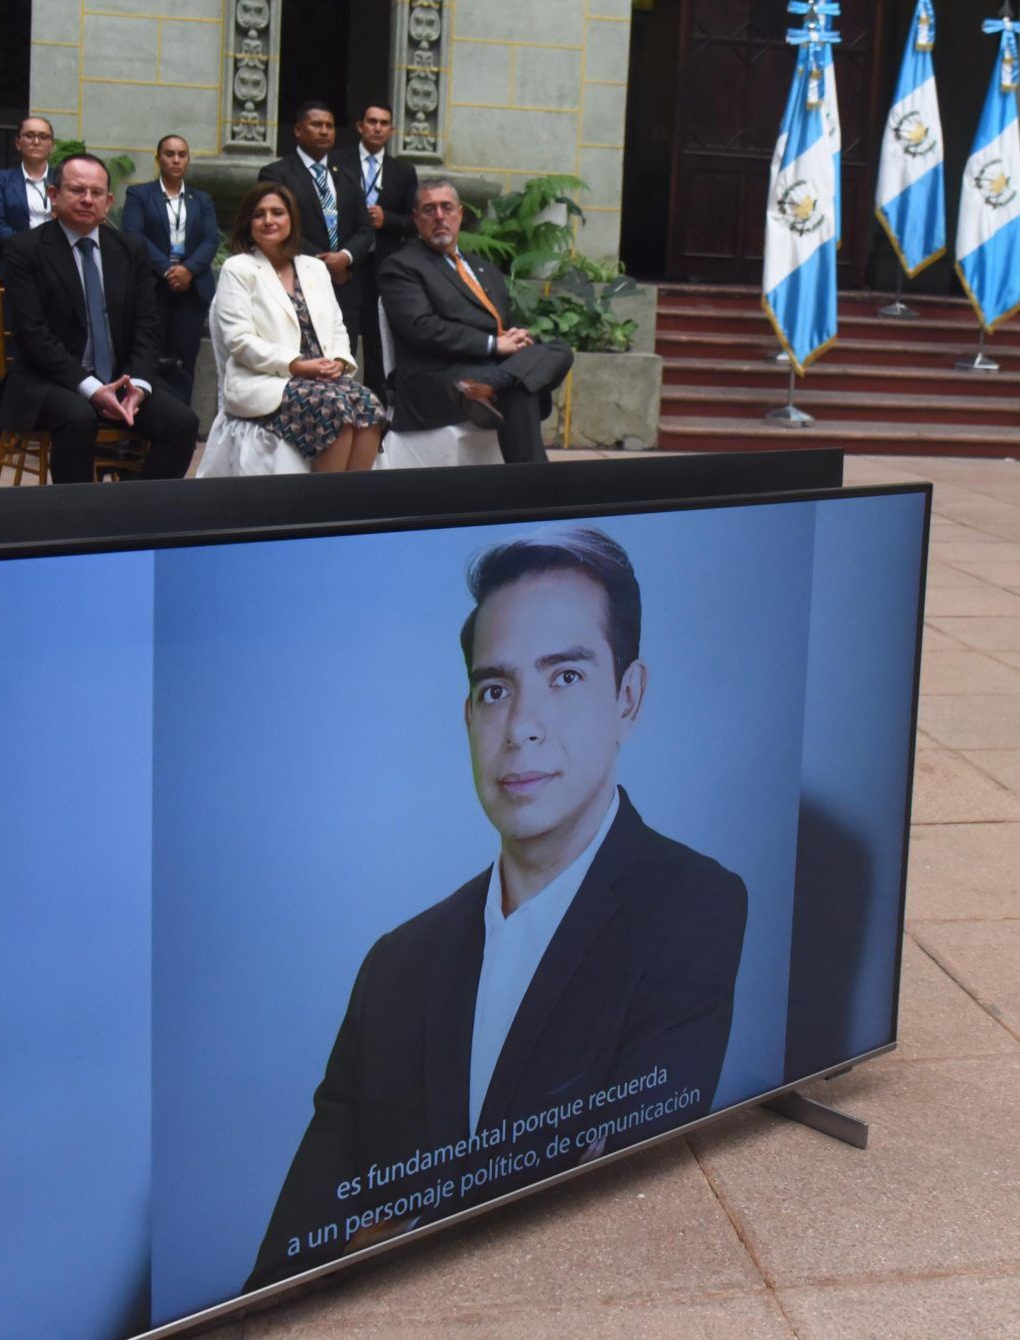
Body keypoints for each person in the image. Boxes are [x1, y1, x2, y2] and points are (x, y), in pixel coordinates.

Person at [247, 528, 746, 1290]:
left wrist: (395, 1230)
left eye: (567, 677)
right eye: (495, 689)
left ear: (628, 698)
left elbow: (615, 1206)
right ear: (469, 717)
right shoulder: (396, 964)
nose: (522, 728)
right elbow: (285, 1266)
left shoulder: (692, 905)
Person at [0, 153, 198, 484]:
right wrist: (91, 388)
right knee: (78, 418)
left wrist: (140, 385)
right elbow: (33, 335)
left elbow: (148, 327)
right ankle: (79, 525)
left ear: (108, 202)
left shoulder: (129, 249)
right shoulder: (26, 249)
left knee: (182, 422)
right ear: (54, 195)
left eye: (96, 193)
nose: (87, 200)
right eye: (77, 190)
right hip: (49, 380)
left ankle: (136, 519)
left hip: (121, 380)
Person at [381, 180, 572, 465]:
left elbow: (502, 320)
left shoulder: (484, 268)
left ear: (460, 214)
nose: (439, 217)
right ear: (416, 219)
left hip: (483, 373)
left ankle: (489, 385)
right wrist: (494, 344)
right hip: (437, 377)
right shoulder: (402, 266)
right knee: (518, 388)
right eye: (429, 210)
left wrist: (517, 334)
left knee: (560, 349)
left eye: (446, 208)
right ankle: (535, 487)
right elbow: (421, 328)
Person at [211, 182, 384, 472]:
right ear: (247, 223)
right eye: (259, 214)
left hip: (324, 378)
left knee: (370, 408)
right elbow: (239, 341)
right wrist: (298, 366)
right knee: (336, 411)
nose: (268, 221)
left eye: (277, 213)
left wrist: (340, 362)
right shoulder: (238, 269)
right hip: (268, 379)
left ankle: (353, 506)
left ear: (291, 219)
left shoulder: (314, 267)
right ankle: (320, 509)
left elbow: (337, 328)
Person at [255, 101, 373, 349]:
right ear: (298, 130)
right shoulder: (277, 173)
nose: (324, 131)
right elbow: (276, 229)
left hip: (344, 285)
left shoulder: (349, 175)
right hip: (295, 280)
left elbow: (365, 229)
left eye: (330, 126)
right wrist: (323, 263)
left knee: (341, 362)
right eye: (317, 125)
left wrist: (345, 257)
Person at [118, 133, 218, 403]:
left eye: (182, 155)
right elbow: (134, 234)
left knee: (184, 357)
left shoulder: (202, 200)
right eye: (169, 154)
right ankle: (148, 414)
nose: (176, 159)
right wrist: (167, 269)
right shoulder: (140, 194)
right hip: (153, 285)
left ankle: (181, 417)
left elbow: (211, 239)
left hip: (191, 288)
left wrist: (188, 270)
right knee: (149, 353)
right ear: (158, 159)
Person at [350, 102, 417, 390]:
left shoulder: (403, 172)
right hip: (347, 263)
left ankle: (376, 404)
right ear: (360, 126)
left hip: (384, 264)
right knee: (344, 333)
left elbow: (414, 222)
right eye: (371, 121)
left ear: (392, 130)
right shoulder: (339, 162)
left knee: (378, 338)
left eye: (383, 123)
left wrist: (386, 219)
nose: (377, 127)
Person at [0, 116, 58, 277]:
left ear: (51, 145)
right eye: (29, 135)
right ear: (18, 143)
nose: (36, 141)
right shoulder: (2, 180)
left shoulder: (63, 180)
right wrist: (32, 249)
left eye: (43, 136)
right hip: (12, 264)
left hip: (55, 265)